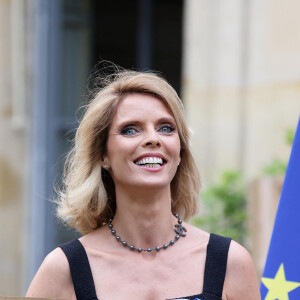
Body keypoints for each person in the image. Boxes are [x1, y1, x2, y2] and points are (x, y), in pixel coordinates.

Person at [26, 70, 260, 300]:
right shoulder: (62, 270)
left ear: (180, 152)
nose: (153, 138)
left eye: (166, 128)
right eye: (130, 130)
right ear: (102, 155)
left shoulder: (230, 262)